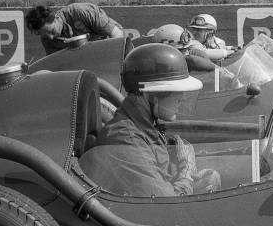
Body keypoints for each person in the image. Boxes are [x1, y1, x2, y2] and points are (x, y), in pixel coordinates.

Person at [79, 43, 220, 197]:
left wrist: (182, 169)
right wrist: (186, 170)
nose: (182, 97)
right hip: (144, 215)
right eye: (175, 90)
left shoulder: (144, 127)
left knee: (210, 178)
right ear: (149, 94)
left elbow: (160, 175)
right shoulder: (125, 139)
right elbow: (165, 204)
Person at [25, 3, 124, 55]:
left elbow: (117, 35)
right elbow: (56, 63)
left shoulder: (81, 12)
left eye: (51, 31)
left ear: (56, 18)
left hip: (111, 47)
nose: (50, 37)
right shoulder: (46, 38)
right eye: (45, 35)